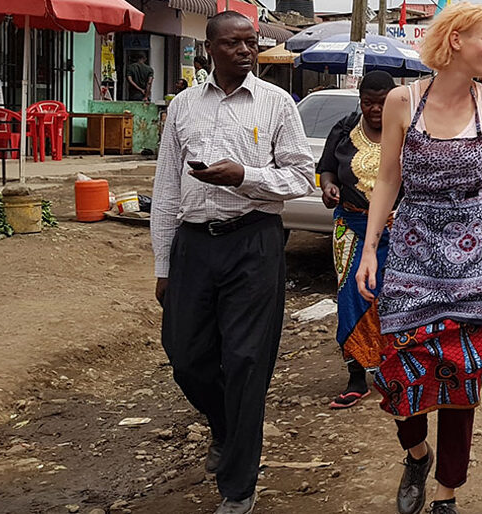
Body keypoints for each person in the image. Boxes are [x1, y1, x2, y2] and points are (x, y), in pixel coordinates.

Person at [353, 4, 482, 514]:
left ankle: (446, 494)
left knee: (462, 379)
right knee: (396, 371)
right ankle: (416, 453)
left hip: (474, 257)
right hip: (413, 251)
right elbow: (388, 178)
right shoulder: (402, 101)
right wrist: (370, 247)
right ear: (455, 39)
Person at [152, 11, 315, 514]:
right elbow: (166, 189)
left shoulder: (277, 103)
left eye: (252, 43)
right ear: (210, 49)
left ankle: (238, 487)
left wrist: (245, 176)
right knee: (185, 354)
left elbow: (301, 178)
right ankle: (224, 427)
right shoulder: (182, 106)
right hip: (195, 245)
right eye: (234, 43)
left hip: (254, 242)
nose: (245, 51)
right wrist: (164, 264)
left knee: (247, 362)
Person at [317, 70, 397, 410]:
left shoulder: (408, 131)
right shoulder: (344, 129)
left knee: (392, 298)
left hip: (396, 230)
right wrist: (328, 187)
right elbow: (327, 169)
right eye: (368, 103)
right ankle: (355, 377)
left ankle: (392, 371)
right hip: (350, 225)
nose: (375, 109)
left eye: (382, 103)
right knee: (351, 296)